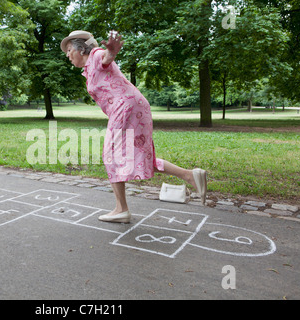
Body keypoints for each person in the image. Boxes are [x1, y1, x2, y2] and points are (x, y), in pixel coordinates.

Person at [60, 30, 207, 223]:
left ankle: (121, 209)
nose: (67, 55)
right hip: (133, 106)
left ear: (82, 48)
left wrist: (111, 51)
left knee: (111, 155)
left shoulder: (95, 56)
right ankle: (190, 175)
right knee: (140, 155)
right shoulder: (88, 68)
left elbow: (106, 57)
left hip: (126, 107)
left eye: (70, 50)